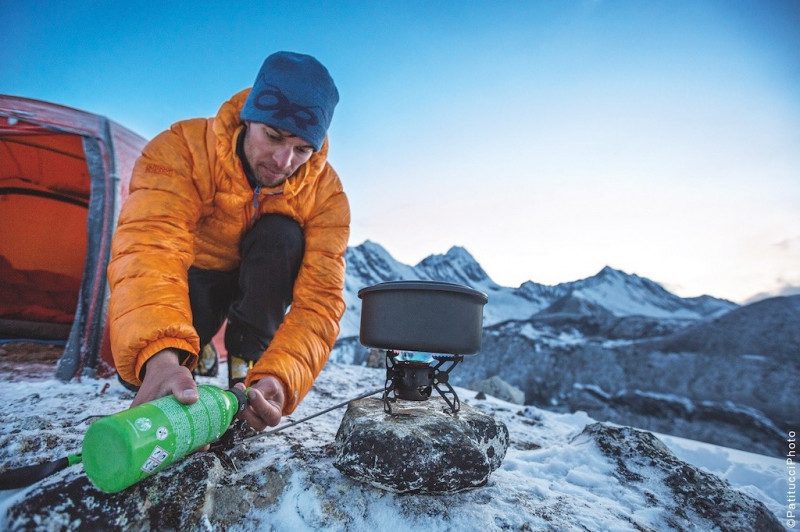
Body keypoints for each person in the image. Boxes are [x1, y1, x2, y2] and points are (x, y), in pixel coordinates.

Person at [107, 51, 349, 431]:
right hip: (195, 277)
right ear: (249, 118)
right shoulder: (184, 149)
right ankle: (192, 347)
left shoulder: (326, 195)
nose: (284, 161)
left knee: (283, 235)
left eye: (303, 149)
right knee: (141, 372)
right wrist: (160, 357)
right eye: (274, 136)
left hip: (261, 283)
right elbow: (150, 245)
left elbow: (321, 298)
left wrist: (281, 379)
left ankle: (246, 362)